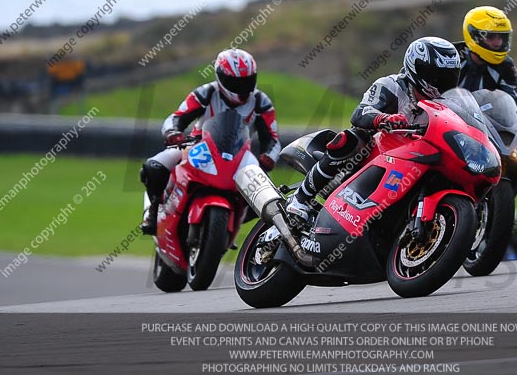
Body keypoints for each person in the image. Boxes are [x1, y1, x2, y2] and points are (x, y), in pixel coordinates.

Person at [285, 37, 461, 221]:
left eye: (448, 77)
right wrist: (384, 118)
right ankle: (300, 200)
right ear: (417, 69)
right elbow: (359, 113)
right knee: (351, 139)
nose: (441, 82)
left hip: (416, 160)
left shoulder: (448, 105)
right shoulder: (390, 85)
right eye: (436, 76)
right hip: (377, 153)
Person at [139, 49, 281, 235]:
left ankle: (236, 225)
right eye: (235, 82)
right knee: (154, 167)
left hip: (240, 155)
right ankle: (153, 209)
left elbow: (272, 138)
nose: (242, 88)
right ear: (221, 78)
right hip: (198, 146)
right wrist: (173, 132)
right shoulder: (206, 93)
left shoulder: (261, 102)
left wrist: (268, 158)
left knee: (266, 193)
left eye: (247, 81)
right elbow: (176, 117)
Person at [455, 6, 517, 120]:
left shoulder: (505, 66)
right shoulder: (450, 56)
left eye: (502, 37)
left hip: (486, 129)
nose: (498, 43)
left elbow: (513, 102)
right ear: (474, 35)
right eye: (491, 37)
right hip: (449, 123)